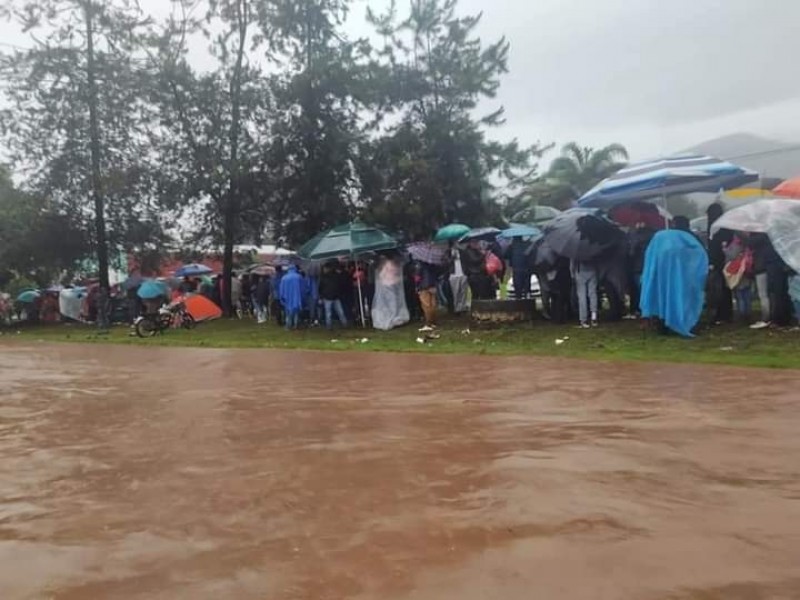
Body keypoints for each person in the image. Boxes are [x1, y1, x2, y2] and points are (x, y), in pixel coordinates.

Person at [706, 203, 734, 324]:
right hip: (726, 261)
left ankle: (722, 314)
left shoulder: (715, 227)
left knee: (719, 289)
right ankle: (726, 313)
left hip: (718, 262)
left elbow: (714, 247)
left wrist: (712, 261)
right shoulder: (726, 226)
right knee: (725, 289)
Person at [722, 233, 753, 323]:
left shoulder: (736, 245)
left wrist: (725, 249)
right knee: (747, 294)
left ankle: (743, 314)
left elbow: (732, 256)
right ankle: (748, 312)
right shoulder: (747, 244)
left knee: (740, 295)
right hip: (746, 271)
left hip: (737, 272)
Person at [749, 233, 772, 328]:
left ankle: (766, 318)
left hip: (761, 268)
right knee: (766, 294)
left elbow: (749, 242)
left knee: (763, 295)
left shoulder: (760, 236)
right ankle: (768, 317)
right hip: (765, 267)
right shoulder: (767, 236)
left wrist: (738, 232)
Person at [319, 263, 348, 330]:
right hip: (335, 297)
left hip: (327, 297)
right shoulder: (336, 276)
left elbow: (320, 288)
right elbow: (340, 285)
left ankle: (329, 326)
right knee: (340, 312)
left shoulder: (323, 277)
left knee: (328, 313)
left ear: (326, 269)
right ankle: (344, 324)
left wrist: (321, 296)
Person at [572, 259, 599, 328]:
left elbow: (572, 263)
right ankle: (594, 317)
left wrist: (572, 274)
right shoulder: (593, 249)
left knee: (582, 297)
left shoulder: (576, 251)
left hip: (580, 271)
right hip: (592, 270)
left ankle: (583, 320)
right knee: (593, 295)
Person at [415, 260, 438, 331]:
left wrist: (416, 286)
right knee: (433, 304)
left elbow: (417, 278)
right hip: (433, 285)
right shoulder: (434, 264)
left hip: (423, 287)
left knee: (426, 305)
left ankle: (428, 323)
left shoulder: (420, 265)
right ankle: (433, 322)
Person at [279, 265, 303, 330]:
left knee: (288, 312)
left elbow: (281, 289)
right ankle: (296, 325)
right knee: (296, 312)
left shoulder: (284, 278)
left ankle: (288, 326)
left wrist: (281, 297)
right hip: (297, 297)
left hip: (287, 298)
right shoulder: (299, 277)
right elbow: (302, 288)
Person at [448, 242, 469, 313]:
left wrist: (466, 272)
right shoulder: (448, 252)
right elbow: (445, 263)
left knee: (463, 292)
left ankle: (463, 307)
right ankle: (456, 308)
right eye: (455, 243)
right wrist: (452, 258)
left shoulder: (462, 252)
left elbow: (466, 261)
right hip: (454, 275)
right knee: (455, 292)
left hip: (463, 274)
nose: (456, 244)